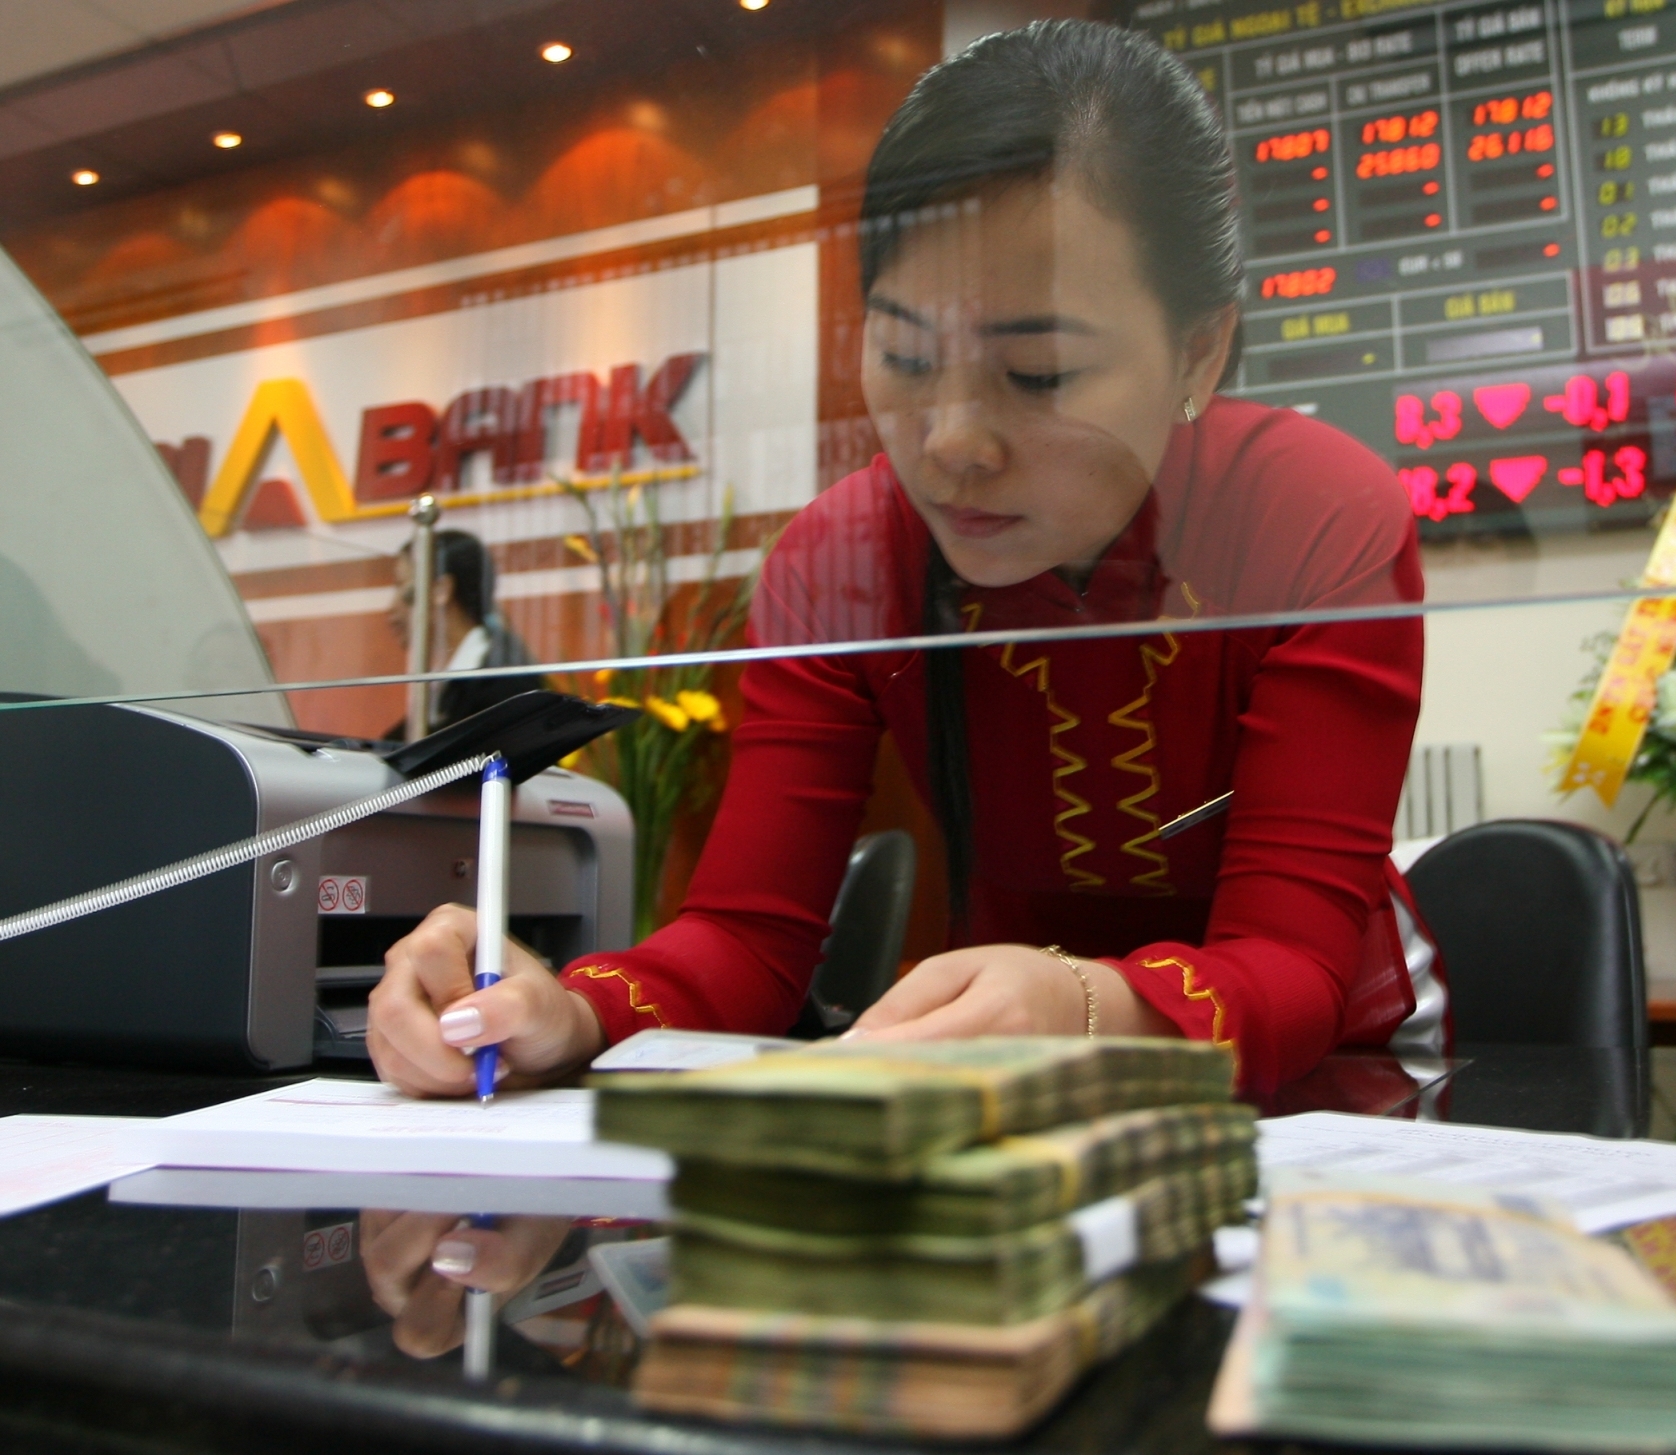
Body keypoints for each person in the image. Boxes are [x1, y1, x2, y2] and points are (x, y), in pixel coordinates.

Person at [370, 20, 1432, 1112]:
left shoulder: (1311, 514)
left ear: (1199, 352)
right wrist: (568, 1010)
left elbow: (1292, 964)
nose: (953, 440)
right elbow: (748, 935)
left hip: (1324, 1067)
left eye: (1040, 371)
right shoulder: (841, 559)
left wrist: (1084, 1006)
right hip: (1006, 1071)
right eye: (906, 356)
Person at [383, 528, 542, 737]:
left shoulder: (504, 685)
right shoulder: (445, 686)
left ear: (442, 590)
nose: (391, 608)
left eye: (404, 589)